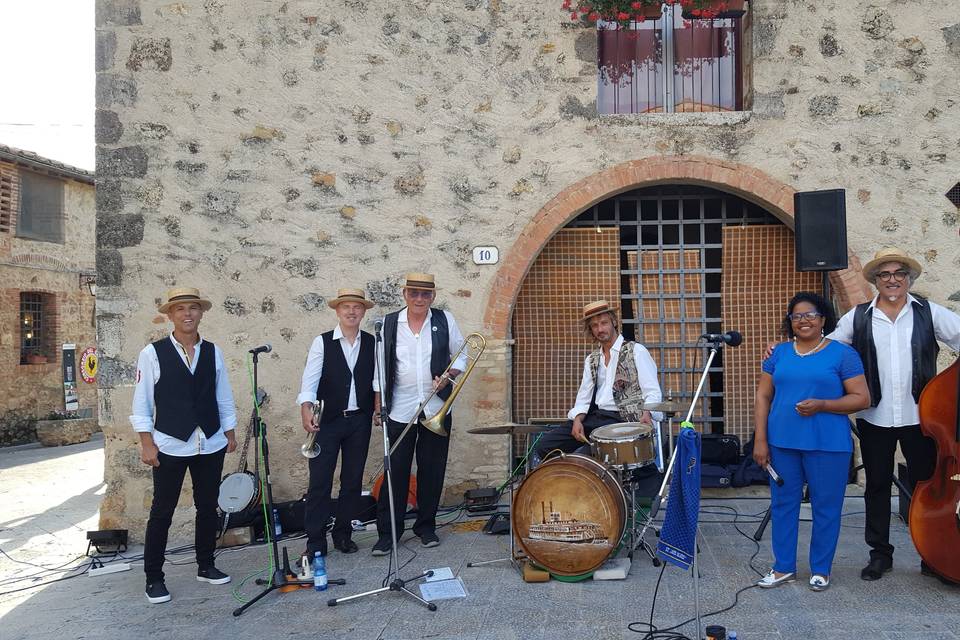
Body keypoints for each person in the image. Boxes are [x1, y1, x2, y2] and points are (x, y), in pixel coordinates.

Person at [829, 247, 960, 582]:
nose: (892, 280)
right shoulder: (857, 317)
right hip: (874, 416)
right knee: (875, 486)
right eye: (884, 274)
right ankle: (880, 555)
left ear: (908, 279)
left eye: (898, 274)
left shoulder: (929, 312)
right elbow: (827, 349)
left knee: (925, 488)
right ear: (875, 281)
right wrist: (788, 351)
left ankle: (931, 554)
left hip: (924, 420)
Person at [753, 292, 870, 592]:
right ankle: (783, 568)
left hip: (828, 444)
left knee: (826, 507)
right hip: (782, 443)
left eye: (810, 315)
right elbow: (763, 396)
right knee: (783, 505)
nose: (803, 320)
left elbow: (861, 398)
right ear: (790, 322)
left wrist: (823, 405)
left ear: (823, 319)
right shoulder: (777, 354)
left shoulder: (843, 354)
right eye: (796, 316)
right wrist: (761, 440)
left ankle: (820, 569)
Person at [131, 287, 238, 604]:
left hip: (211, 441)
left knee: (208, 507)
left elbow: (224, 396)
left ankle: (206, 565)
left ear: (201, 313)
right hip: (170, 443)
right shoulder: (152, 354)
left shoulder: (213, 351)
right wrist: (146, 443)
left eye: (193, 308)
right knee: (161, 512)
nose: (187, 314)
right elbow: (142, 404)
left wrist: (229, 432)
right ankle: (154, 578)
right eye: (180, 309)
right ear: (170, 315)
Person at [372, 273, 467, 554]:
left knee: (432, 471)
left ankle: (426, 527)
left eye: (425, 294)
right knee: (395, 473)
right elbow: (379, 368)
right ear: (404, 294)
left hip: (435, 406)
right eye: (414, 293)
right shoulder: (389, 324)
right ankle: (389, 533)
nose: (419, 299)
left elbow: (461, 354)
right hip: (399, 409)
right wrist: (379, 405)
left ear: (432, 297)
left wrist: (449, 375)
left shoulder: (444, 320)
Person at [532, 300, 662, 467]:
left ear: (614, 322)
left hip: (624, 420)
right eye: (594, 326)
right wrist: (578, 420)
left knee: (588, 459)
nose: (600, 329)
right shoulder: (592, 359)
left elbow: (652, 391)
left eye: (604, 323)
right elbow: (583, 397)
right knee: (546, 446)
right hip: (596, 418)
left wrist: (648, 413)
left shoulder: (636, 351)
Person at [297, 288, 377, 560]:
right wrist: (305, 408)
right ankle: (315, 540)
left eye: (357, 307)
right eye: (346, 307)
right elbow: (310, 377)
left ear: (363, 311)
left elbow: (377, 382)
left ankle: (343, 534)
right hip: (327, 422)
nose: (352, 311)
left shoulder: (371, 342)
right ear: (337, 311)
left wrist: (377, 408)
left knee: (352, 481)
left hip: (359, 421)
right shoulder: (323, 342)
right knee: (319, 482)